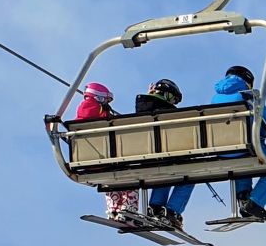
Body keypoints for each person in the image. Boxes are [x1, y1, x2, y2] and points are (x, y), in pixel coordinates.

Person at [211, 66, 266, 223]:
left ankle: (243, 197)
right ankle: (255, 201)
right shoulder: (247, 96)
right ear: (248, 81)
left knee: (241, 162)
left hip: (221, 151)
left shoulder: (214, 99)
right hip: (245, 147)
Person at [73, 81, 140, 222]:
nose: (106, 103)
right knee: (130, 175)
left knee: (110, 180)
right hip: (104, 155)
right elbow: (103, 124)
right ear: (97, 97)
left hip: (89, 157)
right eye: (105, 100)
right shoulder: (94, 108)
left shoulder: (85, 112)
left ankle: (114, 210)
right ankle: (128, 208)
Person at [135, 80, 192, 228]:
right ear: (167, 95)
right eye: (173, 99)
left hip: (144, 159)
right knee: (189, 175)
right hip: (167, 157)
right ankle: (172, 211)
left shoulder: (140, 109)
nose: (174, 103)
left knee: (165, 171)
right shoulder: (172, 114)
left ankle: (155, 208)